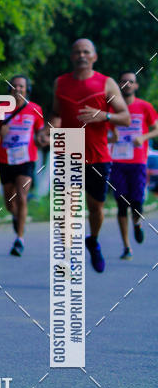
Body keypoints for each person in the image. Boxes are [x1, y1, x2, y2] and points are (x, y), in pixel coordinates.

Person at [45, 39, 130, 273]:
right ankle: (69, 259)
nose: (81, 55)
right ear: (71, 56)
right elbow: (55, 113)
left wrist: (103, 115)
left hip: (97, 154)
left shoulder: (107, 84)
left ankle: (92, 240)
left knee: (96, 208)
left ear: (94, 57)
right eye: (77, 52)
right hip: (69, 151)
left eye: (86, 51)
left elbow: (125, 117)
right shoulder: (60, 83)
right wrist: (48, 130)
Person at [0, 75, 45, 257]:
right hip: (5, 160)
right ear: (10, 89)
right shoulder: (0, 109)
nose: (18, 89)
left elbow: (40, 133)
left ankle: (19, 239)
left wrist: (44, 139)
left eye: (21, 86)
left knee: (22, 195)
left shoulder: (35, 109)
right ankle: (15, 215)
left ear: (27, 89)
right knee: (10, 202)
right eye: (15, 86)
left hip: (26, 160)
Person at [108, 71, 158, 258]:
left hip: (137, 162)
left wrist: (143, 137)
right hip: (118, 162)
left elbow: (156, 129)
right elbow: (107, 135)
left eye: (131, 82)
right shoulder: (112, 110)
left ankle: (137, 223)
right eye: (124, 81)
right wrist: (112, 138)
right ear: (119, 85)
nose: (127, 84)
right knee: (121, 204)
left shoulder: (144, 107)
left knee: (137, 203)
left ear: (136, 86)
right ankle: (126, 247)